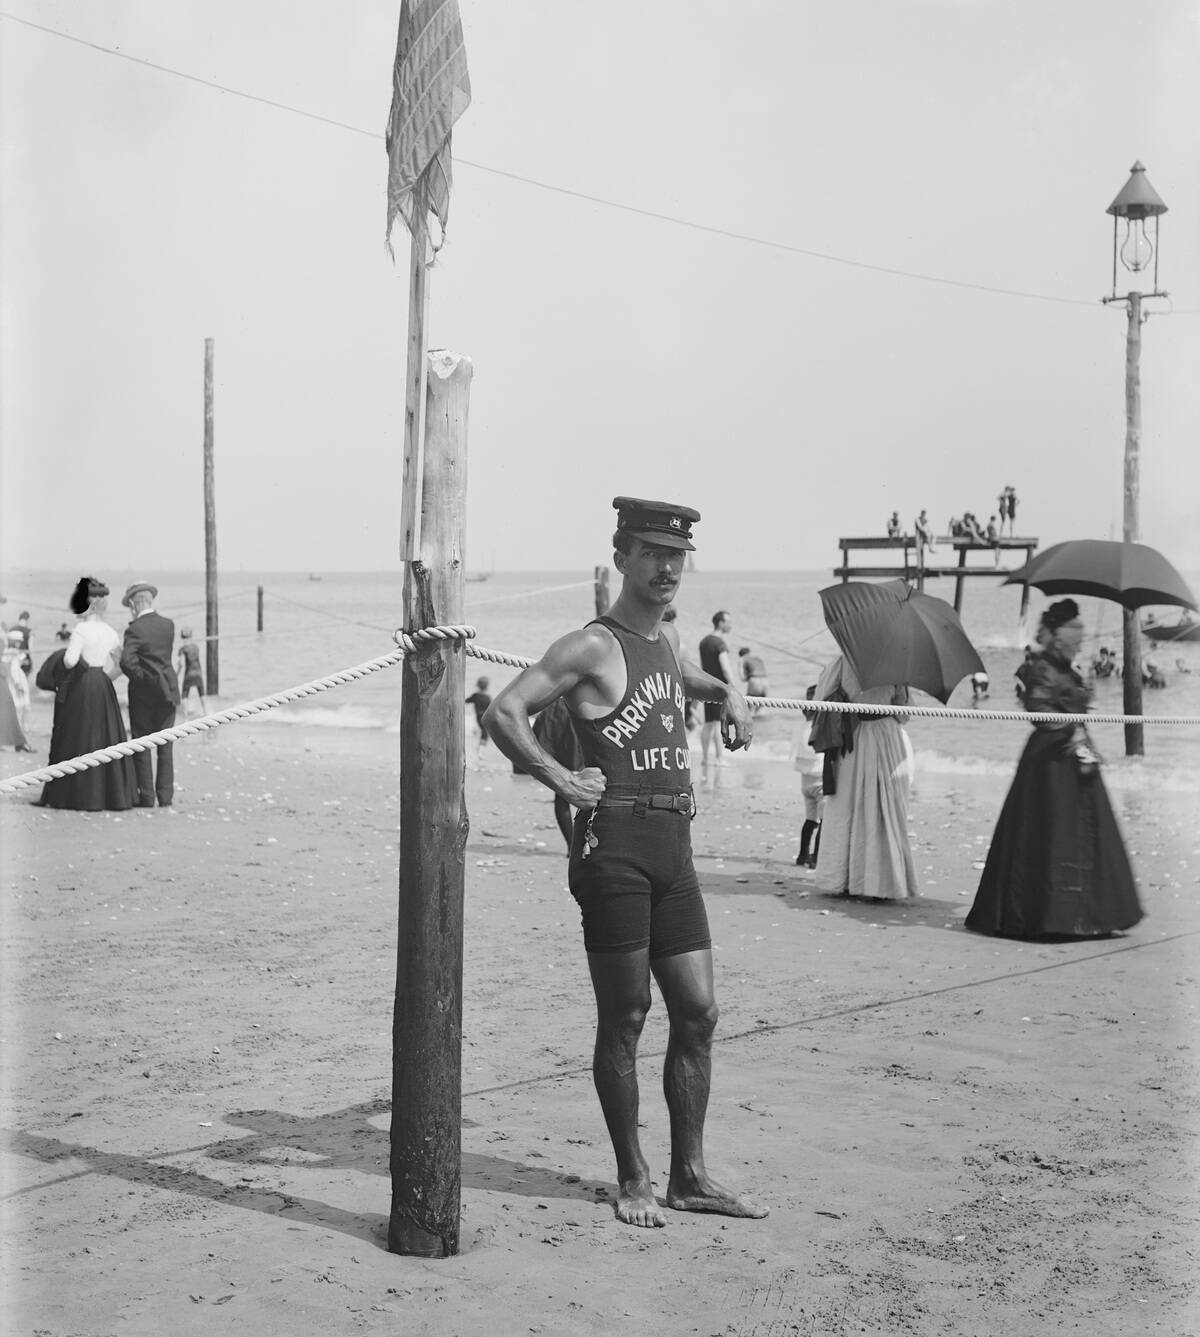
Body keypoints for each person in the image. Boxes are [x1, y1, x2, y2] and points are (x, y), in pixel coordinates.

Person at [483, 496, 765, 1230]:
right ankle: (634, 1176)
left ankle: (690, 1173)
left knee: (699, 1011)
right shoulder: (591, 644)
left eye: (677, 555)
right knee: (628, 1015)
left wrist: (729, 691)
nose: (669, 566)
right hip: (614, 850)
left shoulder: (663, 641)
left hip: (675, 847)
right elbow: (503, 711)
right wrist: (562, 778)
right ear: (622, 558)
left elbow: (675, 685)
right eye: (652, 552)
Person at [966, 599, 1142, 940]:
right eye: (1074, 639)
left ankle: (1089, 913)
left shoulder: (1067, 668)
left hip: (1075, 757)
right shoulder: (1044, 667)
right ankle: (1049, 916)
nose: (1079, 645)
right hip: (1050, 763)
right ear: (1060, 637)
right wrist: (1071, 728)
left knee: (1085, 834)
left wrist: (1081, 710)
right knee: (1049, 833)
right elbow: (1038, 710)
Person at [813, 655, 918, 901]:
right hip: (885, 738)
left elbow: (820, 701)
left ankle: (841, 879)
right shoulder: (896, 665)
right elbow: (904, 713)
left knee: (846, 807)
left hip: (852, 738)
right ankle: (879, 883)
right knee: (883, 808)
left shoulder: (842, 661)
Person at [38, 577, 137, 811]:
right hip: (102, 686)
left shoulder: (81, 629)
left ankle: (74, 796)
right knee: (105, 739)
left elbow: (70, 661)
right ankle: (109, 796)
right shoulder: (111, 632)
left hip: (81, 686)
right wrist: (104, 679)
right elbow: (121, 665)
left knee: (76, 736)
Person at [120, 582, 180, 809]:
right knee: (166, 746)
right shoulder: (168, 625)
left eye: (130, 605)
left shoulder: (135, 629)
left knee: (142, 743)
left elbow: (126, 661)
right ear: (150, 601)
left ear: (135, 604)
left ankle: (146, 796)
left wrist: (143, 678)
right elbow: (162, 658)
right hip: (168, 690)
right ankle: (165, 797)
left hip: (144, 694)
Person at [531, 696, 585, 848]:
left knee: (562, 801)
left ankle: (571, 844)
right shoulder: (584, 704)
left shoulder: (549, 709)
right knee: (595, 801)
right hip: (584, 759)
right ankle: (582, 843)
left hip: (560, 763)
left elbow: (538, 737)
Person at [791, 686, 823, 868]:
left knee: (810, 820)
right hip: (821, 782)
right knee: (824, 821)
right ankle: (817, 857)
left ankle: (803, 855)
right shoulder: (819, 728)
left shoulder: (804, 726)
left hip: (805, 782)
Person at [698, 611, 735, 770]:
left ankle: (706, 758)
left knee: (709, 724)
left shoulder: (704, 642)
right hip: (720, 688)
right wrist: (732, 686)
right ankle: (719, 758)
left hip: (707, 686)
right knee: (718, 724)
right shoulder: (720, 643)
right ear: (720, 623)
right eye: (728, 622)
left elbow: (702, 666)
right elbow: (725, 668)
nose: (730, 625)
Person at [175, 627, 208, 718]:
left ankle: (186, 718)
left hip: (188, 674)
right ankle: (206, 713)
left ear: (182, 637)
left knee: (185, 696)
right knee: (202, 694)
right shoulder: (196, 647)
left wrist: (176, 675)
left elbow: (181, 664)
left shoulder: (182, 649)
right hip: (198, 673)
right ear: (191, 636)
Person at [465, 676, 492, 764]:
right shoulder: (488, 698)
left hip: (478, 718)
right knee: (485, 734)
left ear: (478, 685)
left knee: (482, 732)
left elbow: (466, 701)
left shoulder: (476, 696)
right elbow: (491, 709)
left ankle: (480, 750)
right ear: (487, 686)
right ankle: (481, 752)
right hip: (485, 718)